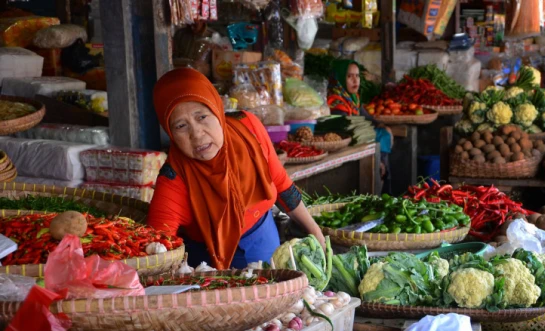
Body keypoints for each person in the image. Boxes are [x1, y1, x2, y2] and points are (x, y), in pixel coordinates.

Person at [148, 68, 324, 270]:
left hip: (263, 240)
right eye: (181, 126)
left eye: (202, 117)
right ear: (170, 132)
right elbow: (156, 249)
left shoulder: (248, 129)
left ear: (216, 110)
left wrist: (315, 232)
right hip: (208, 266)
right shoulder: (173, 179)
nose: (197, 134)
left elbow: (282, 186)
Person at [327, 59, 392, 188]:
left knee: (384, 133)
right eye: (349, 76)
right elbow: (348, 132)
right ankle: (381, 173)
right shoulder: (337, 103)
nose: (355, 80)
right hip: (347, 142)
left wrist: (382, 125)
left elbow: (369, 119)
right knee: (381, 138)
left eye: (357, 76)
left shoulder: (353, 99)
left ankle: (382, 175)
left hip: (357, 137)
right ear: (339, 78)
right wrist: (375, 156)